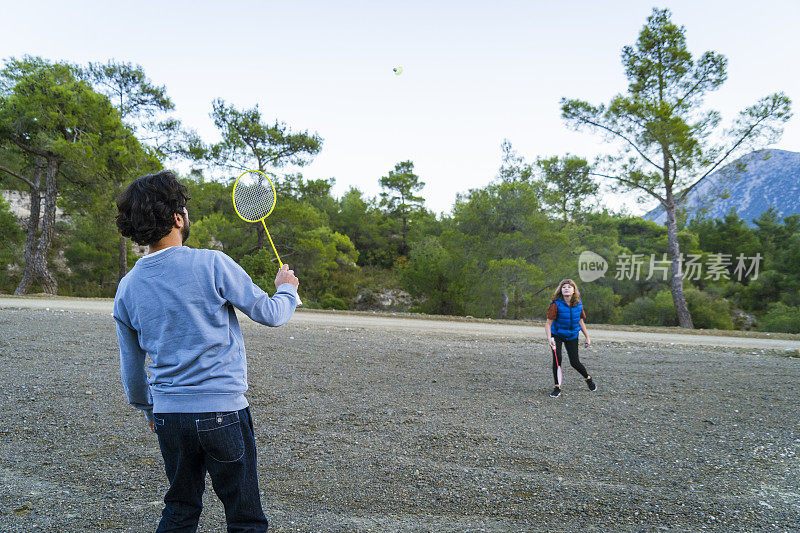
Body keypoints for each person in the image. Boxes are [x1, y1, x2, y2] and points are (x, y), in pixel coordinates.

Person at [113, 170, 299, 532]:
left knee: (180, 508)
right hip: (224, 412)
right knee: (244, 515)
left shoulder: (128, 287)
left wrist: (147, 406)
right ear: (178, 217)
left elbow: (132, 370)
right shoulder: (212, 263)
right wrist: (287, 288)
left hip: (169, 415)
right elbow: (272, 314)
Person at [544, 278, 596, 397]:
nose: (566, 289)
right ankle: (557, 387)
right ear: (560, 290)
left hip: (572, 335)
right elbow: (548, 323)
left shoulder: (578, 304)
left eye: (569, 287)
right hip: (557, 335)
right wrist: (549, 338)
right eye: (564, 287)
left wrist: (587, 337)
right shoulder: (555, 305)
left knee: (575, 362)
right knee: (557, 360)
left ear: (574, 290)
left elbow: (580, 321)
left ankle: (588, 379)